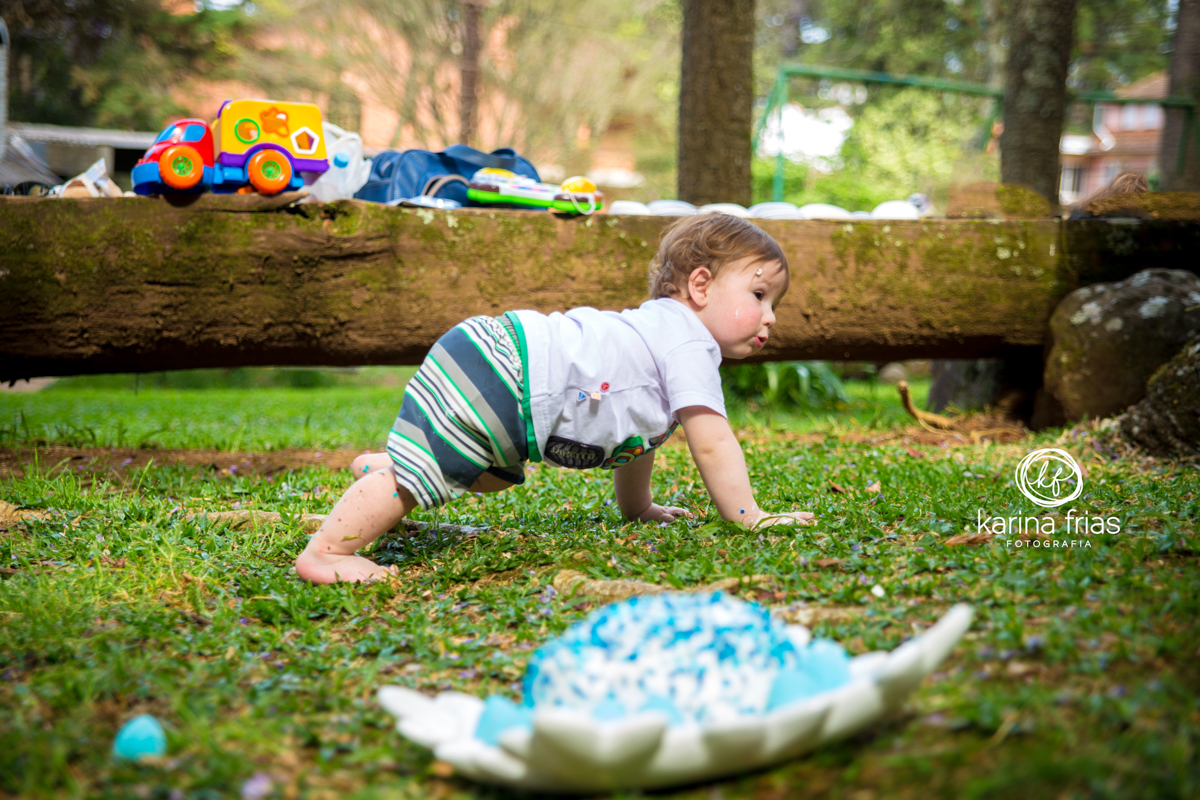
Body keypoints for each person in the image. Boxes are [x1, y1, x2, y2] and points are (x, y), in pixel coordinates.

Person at [295, 213, 814, 584]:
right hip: (510, 371)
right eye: (759, 295)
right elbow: (713, 441)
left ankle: (385, 466)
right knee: (420, 480)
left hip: (502, 360)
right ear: (700, 285)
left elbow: (637, 435)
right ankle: (329, 553)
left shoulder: (656, 338)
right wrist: (747, 514)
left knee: (479, 475)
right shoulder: (688, 341)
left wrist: (638, 509)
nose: (770, 316)